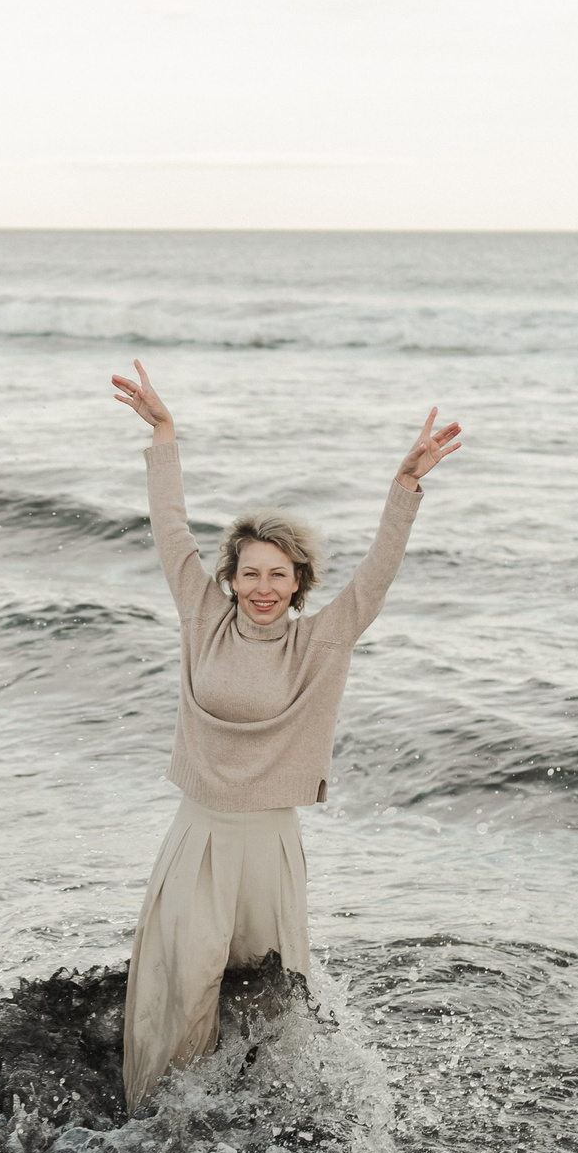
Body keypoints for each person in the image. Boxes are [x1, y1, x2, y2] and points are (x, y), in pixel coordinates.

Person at [108, 360, 463, 1109]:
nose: (262, 588)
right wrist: (165, 435)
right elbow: (171, 529)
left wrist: (405, 487)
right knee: (183, 989)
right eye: (250, 574)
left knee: (269, 997)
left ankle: (261, 1117)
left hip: (270, 843)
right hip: (199, 835)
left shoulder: (320, 644)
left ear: (299, 582)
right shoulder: (202, 616)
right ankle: (159, 1118)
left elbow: (375, 576)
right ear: (231, 578)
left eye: (278, 575)